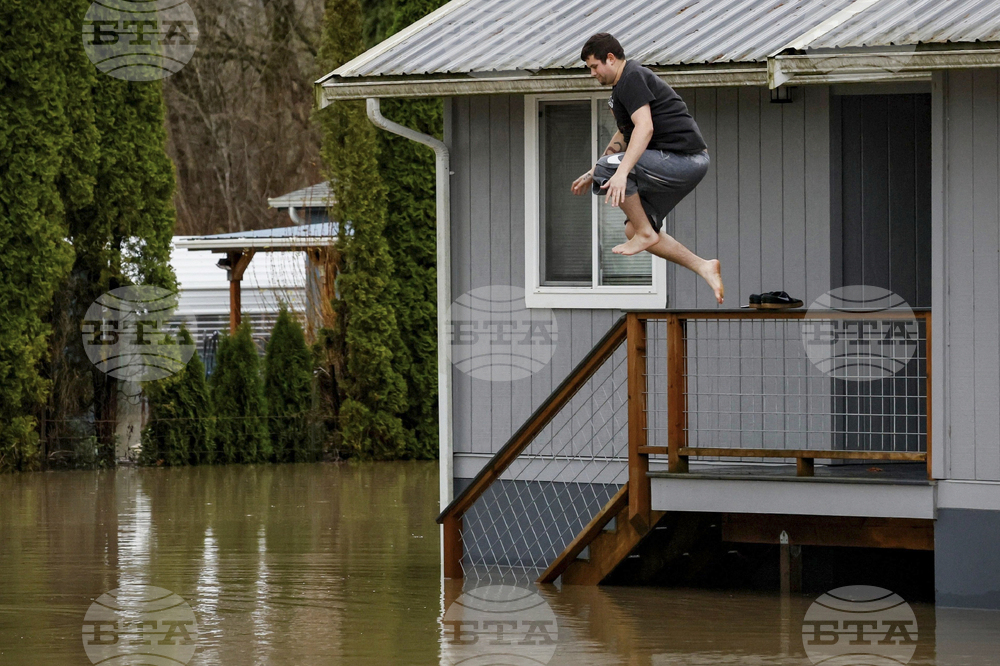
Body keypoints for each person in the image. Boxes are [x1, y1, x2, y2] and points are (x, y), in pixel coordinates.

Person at [570, 33, 724, 304]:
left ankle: (644, 232)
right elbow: (624, 134)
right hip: (675, 163)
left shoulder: (632, 76)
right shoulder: (621, 89)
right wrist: (593, 171)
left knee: (616, 179)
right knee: (634, 228)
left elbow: (646, 126)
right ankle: (703, 265)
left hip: (683, 159)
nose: (592, 73)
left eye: (594, 66)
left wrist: (618, 172)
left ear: (610, 58)